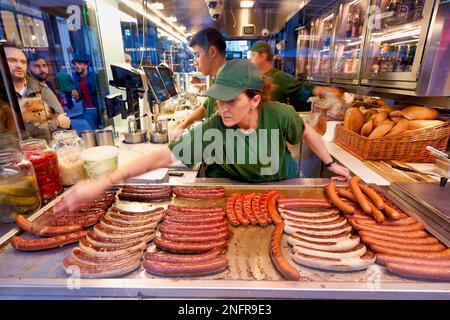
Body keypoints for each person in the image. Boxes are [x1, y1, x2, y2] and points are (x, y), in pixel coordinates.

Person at [59, 60, 350, 209]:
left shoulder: (280, 115)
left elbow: (306, 132)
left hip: (283, 187)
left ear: (255, 100)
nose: (223, 108)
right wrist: (105, 181)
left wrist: (332, 163)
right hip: (238, 195)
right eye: (219, 100)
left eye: (231, 100)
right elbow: (165, 155)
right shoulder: (216, 126)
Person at [170, 28, 227, 141]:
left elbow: (217, 121)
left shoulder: (228, 81)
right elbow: (206, 106)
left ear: (212, 52)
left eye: (197, 55)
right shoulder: (220, 77)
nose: (195, 62)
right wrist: (184, 124)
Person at [4, 42, 71, 139]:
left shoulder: (40, 88)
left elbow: (63, 121)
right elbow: (12, 132)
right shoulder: (4, 94)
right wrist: (55, 122)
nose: (19, 65)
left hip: (46, 149)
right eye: (12, 60)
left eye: (23, 62)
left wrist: (55, 122)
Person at [249, 41, 316, 111]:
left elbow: (306, 89)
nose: (250, 59)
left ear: (263, 56)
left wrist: (325, 92)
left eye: (253, 55)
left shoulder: (280, 77)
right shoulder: (252, 76)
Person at [71, 53, 101, 127]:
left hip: (99, 109)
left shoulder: (95, 76)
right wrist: (76, 96)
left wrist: (105, 109)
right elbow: (79, 97)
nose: (77, 66)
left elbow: (102, 93)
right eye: (75, 64)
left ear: (86, 65)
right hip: (87, 110)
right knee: (94, 131)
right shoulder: (76, 79)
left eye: (80, 64)